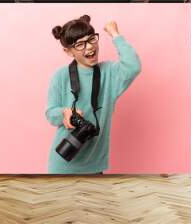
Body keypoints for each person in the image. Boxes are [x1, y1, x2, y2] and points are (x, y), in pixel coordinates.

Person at [46, 15, 141, 174]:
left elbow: (133, 66)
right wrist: (64, 113)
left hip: (95, 166)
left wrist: (115, 34)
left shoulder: (110, 72)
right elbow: (50, 113)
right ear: (68, 52)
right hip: (62, 164)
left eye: (92, 39)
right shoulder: (60, 76)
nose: (89, 47)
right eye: (80, 44)